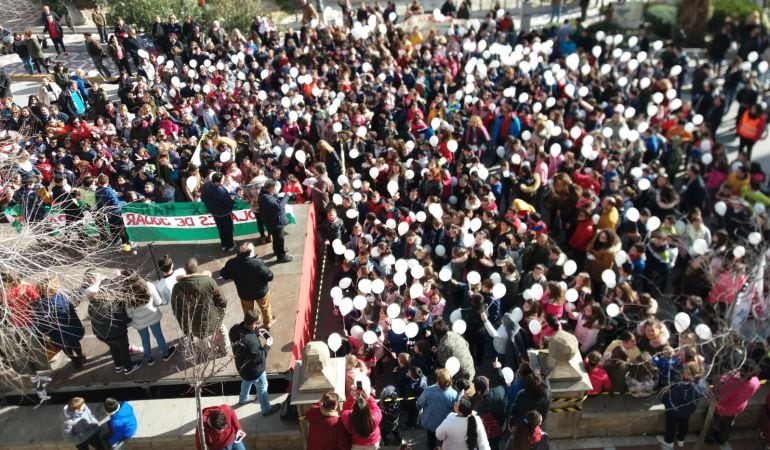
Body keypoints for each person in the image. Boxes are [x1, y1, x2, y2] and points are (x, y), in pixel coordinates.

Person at [171, 257, 230, 355]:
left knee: (201, 338)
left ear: (185, 271)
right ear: (197, 268)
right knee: (221, 329)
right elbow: (221, 299)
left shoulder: (177, 288)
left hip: (194, 322)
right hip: (213, 317)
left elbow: (177, 309)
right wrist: (220, 312)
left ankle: (207, 353)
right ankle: (225, 349)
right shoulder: (209, 281)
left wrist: (185, 327)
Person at [88, 274, 143, 375]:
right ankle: (128, 367)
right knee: (123, 349)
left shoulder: (91, 305)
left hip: (102, 335)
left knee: (113, 348)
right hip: (116, 333)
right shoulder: (113, 302)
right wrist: (130, 319)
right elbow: (124, 319)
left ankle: (118, 366)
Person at [228, 309, 280, 414]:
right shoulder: (252, 342)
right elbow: (260, 357)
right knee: (262, 388)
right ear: (254, 323)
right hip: (255, 371)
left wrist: (255, 333)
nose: (258, 326)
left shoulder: (234, 329)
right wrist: (268, 345)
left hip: (242, 367)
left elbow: (245, 337)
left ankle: (243, 399)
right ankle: (266, 409)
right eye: (258, 323)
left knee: (246, 381)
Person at [123, 270, 177, 365]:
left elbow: (129, 314)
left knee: (145, 339)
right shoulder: (148, 285)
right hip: (153, 316)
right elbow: (157, 301)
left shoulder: (126, 295)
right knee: (158, 335)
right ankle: (165, 353)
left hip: (139, 322)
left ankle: (149, 359)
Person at [220, 242, 275, 329]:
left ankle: (250, 325)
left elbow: (224, 274)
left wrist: (235, 276)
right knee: (265, 307)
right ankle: (268, 323)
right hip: (261, 292)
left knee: (248, 311)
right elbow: (270, 276)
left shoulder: (232, 263)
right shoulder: (258, 263)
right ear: (251, 253)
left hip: (244, 293)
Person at [707, 362, 761, 445]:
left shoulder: (731, 383)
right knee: (727, 426)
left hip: (722, 409)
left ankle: (709, 439)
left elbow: (720, 399)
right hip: (737, 408)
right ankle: (722, 440)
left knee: (714, 424)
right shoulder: (756, 381)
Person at [656, 362, 705, 448]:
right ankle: (681, 440)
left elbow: (666, 397)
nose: (682, 371)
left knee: (671, 426)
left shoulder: (677, 386)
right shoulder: (700, 385)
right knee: (684, 424)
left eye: (685, 371)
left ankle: (669, 441)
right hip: (688, 410)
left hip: (673, 410)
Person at [417, 368, 459, 449]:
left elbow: (420, 403)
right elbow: (455, 410)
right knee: (444, 443)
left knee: (431, 441)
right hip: (445, 424)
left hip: (431, 423)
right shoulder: (454, 394)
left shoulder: (429, 391)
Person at [258, 179, 293, 263]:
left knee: (276, 237)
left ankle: (276, 250)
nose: (274, 190)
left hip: (271, 220)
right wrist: (287, 196)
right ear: (269, 188)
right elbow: (278, 207)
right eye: (274, 188)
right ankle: (281, 256)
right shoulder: (265, 197)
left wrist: (276, 194)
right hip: (275, 221)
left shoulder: (264, 193)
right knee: (279, 238)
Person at [201, 172, 236, 252]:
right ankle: (230, 245)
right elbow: (229, 203)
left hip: (214, 213)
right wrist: (233, 200)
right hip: (225, 213)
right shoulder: (221, 191)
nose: (223, 181)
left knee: (221, 229)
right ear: (217, 182)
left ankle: (223, 245)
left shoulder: (206, 186)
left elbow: (203, 198)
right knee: (228, 229)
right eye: (222, 180)